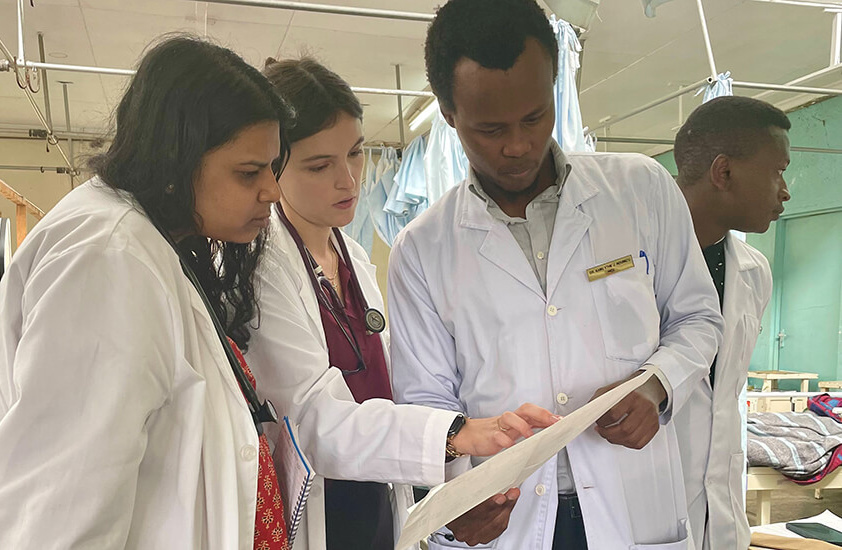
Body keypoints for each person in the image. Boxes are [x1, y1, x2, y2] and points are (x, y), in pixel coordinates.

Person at [386, 0, 725, 548]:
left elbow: (699, 317)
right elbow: (427, 400)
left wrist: (659, 384)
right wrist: (454, 502)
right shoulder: (421, 249)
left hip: (632, 505)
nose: (517, 146)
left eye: (535, 116)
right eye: (490, 128)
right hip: (510, 521)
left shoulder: (641, 191)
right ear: (450, 116)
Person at [0, 36, 294, 549]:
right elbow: (60, 517)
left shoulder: (153, 240)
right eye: (248, 172)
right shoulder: (108, 258)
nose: (272, 190)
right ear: (175, 160)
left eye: (273, 169)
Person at [243, 57, 558, 550]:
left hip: (379, 509)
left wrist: (456, 487)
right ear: (272, 168)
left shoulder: (354, 261)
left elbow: (394, 395)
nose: (348, 181)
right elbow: (314, 423)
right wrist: (455, 434)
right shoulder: (265, 270)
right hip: (322, 517)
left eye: (355, 153)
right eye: (319, 165)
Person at [673, 96, 792, 550]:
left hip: (720, 509)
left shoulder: (754, 270)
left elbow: (725, 392)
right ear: (723, 172)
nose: (785, 190)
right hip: (641, 500)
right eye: (777, 171)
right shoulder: (629, 264)